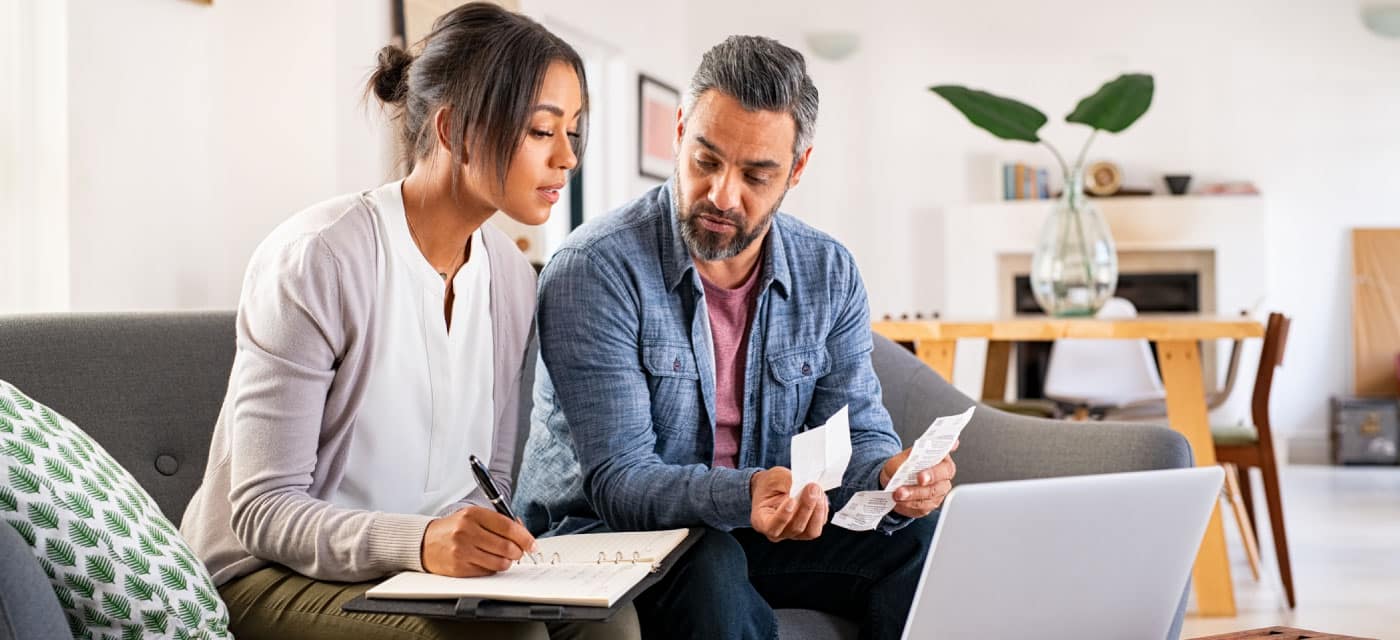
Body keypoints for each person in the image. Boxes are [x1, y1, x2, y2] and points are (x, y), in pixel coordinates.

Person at [179, 4, 637, 639]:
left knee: (606, 624)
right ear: (453, 130)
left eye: (573, 133)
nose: (567, 159)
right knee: (502, 635)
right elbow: (263, 510)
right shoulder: (319, 258)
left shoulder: (511, 279)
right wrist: (421, 542)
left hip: (420, 573)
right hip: (270, 575)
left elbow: (490, 479)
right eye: (540, 131)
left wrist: (487, 546)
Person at [513, 35, 957, 640]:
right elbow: (620, 482)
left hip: (752, 527)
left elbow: (858, 430)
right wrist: (747, 493)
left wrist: (890, 477)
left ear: (796, 170)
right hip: (601, 539)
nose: (722, 194)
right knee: (711, 559)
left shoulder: (828, 271)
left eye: (755, 174)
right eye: (706, 161)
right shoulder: (595, 269)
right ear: (678, 132)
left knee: (919, 540)